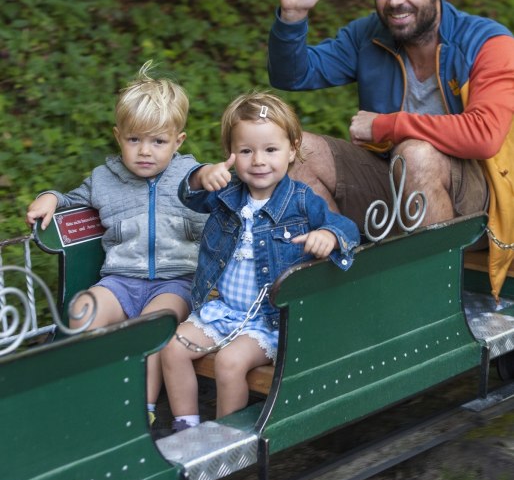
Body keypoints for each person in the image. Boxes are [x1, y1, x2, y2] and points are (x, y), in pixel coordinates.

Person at [268, 0, 514, 300]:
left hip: (480, 200)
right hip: (393, 182)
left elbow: (484, 135)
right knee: (301, 151)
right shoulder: (369, 35)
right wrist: (293, 14)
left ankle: (432, 308)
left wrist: (386, 125)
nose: (395, 0)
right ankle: (343, 291)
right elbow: (293, 73)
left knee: (415, 153)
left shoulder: (488, 43)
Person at [160, 91, 359, 433]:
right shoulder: (226, 194)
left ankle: (226, 438)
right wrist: (200, 176)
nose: (258, 161)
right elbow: (190, 196)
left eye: (271, 150)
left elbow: (347, 229)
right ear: (231, 154)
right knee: (172, 350)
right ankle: (187, 429)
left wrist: (328, 235)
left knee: (229, 363)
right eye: (246, 151)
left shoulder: (300, 201)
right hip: (221, 310)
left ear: (292, 149)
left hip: (267, 322)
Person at [25, 61, 208, 424]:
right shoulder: (104, 179)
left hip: (176, 281)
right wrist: (51, 197)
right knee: (83, 310)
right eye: (134, 140)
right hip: (121, 280)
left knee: (153, 323)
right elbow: (73, 199)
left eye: (158, 142)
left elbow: (223, 215)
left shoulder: (192, 177)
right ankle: (92, 392)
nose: (145, 151)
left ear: (178, 141)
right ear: (118, 136)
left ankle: (142, 410)